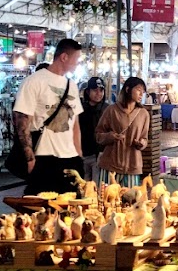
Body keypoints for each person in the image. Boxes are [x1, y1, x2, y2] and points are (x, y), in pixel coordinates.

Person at [12, 39, 84, 195]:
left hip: (70, 157)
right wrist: (30, 158)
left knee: (71, 209)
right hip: (44, 157)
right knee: (40, 209)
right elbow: (22, 121)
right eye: (76, 59)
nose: (77, 64)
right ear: (64, 57)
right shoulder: (34, 81)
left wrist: (78, 156)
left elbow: (75, 123)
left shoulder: (71, 85)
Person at [95, 76, 151, 185]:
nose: (141, 94)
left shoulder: (143, 114)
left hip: (132, 165)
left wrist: (141, 143)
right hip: (110, 165)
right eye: (138, 90)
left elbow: (145, 138)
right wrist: (110, 136)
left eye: (143, 92)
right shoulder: (112, 110)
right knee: (106, 199)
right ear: (127, 89)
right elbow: (98, 135)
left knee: (131, 200)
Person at [79, 77, 109, 183]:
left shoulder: (107, 109)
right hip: (83, 154)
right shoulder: (81, 109)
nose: (98, 93)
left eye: (101, 90)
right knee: (83, 187)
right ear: (88, 91)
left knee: (97, 187)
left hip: (99, 155)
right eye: (95, 90)